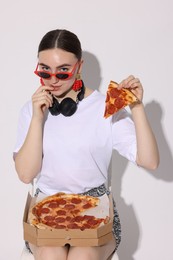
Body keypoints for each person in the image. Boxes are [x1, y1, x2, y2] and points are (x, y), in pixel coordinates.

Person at [13, 29, 159, 260]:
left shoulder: (106, 107)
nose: (52, 80)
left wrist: (137, 107)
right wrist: (37, 119)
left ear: (79, 66)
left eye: (63, 72)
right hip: (46, 210)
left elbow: (149, 161)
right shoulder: (31, 110)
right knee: (51, 255)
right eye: (45, 71)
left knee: (82, 257)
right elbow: (25, 174)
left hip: (95, 211)